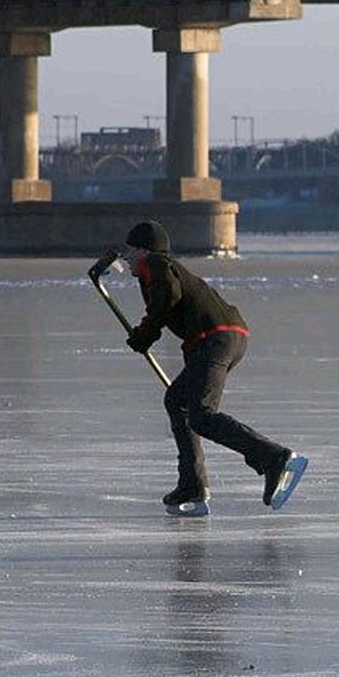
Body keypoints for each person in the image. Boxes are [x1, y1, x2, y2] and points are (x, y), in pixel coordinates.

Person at [115, 220, 306, 517]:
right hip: (222, 337)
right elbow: (168, 302)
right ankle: (192, 484)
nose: (126, 258)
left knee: (202, 415)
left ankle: (275, 458)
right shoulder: (157, 269)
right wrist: (147, 333)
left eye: (130, 251)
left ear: (144, 250)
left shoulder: (157, 264)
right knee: (177, 401)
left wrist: (145, 333)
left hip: (215, 338)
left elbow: (167, 297)